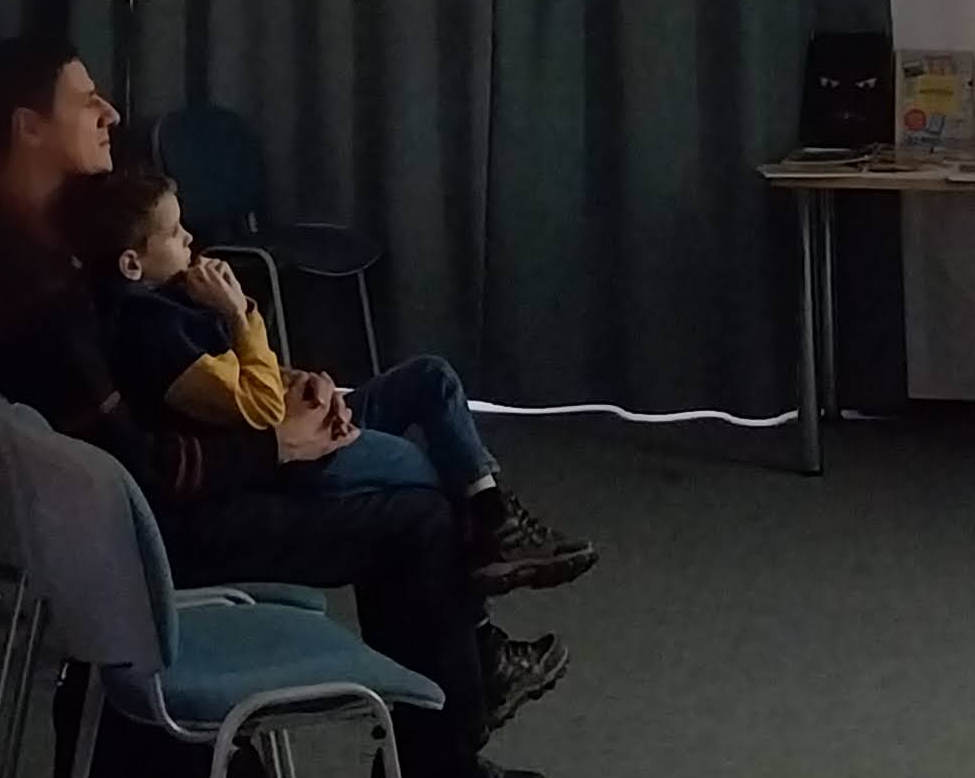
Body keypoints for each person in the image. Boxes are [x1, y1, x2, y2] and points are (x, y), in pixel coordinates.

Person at [0, 35, 587, 778]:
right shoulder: (39, 292)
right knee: (417, 520)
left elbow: (140, 402)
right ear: (28, 127)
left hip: (108, 534)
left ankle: (453, 732)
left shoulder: (16, 245)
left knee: (394, 486)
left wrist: (273, 402)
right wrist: (275, 445)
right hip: (146, 543)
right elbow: (139, 468)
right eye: (85, 99)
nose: (110, 112)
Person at [59, 164, 596, 595]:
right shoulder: (150, 332)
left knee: (430, 378)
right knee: (431, 477)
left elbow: (248, 378)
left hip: (295, 425)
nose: (190, 238)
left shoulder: (167, 304)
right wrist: (242, 315)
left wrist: (304, 383)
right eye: (175, 233)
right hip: (290, 458)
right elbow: (260, 410)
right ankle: (485, 572)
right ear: (132, 264)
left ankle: (493, 523)